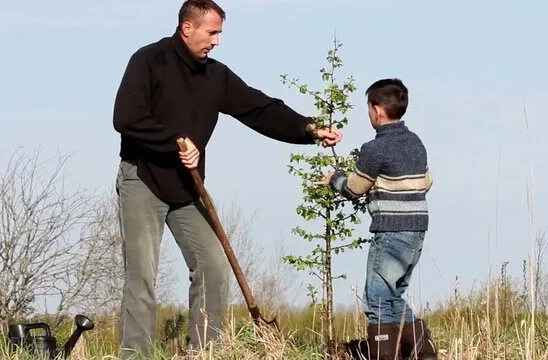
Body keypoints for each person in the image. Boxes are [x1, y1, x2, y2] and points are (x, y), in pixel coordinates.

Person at [112, 0, 342, 358]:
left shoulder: (215, 76)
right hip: (143, 177)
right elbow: (126, 117)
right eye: (212, 32)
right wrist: (174, 140)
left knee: (215, 267)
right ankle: (135, 355)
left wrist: (308, 129)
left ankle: (205, 352)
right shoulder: (149, 60)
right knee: (142, 276)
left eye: (219, 33)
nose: (217, 41)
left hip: (187, 187)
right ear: (187, 28)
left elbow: (259, 108)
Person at [318, 79, 437, 360]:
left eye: (368, 108)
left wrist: (334, 179)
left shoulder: (375, 148)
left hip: (391, 232)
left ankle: (383, 355)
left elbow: (354, 188)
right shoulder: (415, 142)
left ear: (377, 110)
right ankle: (423, 350)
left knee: (377, 300)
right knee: (393, 295)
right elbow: (427, 181)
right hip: (417, 231)